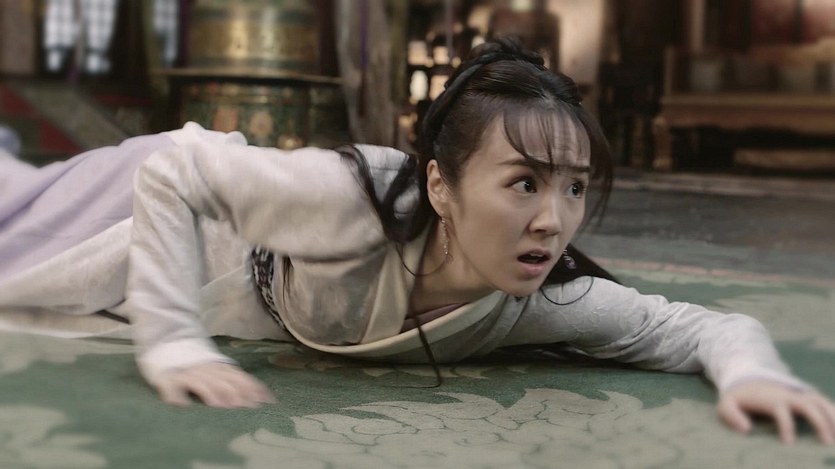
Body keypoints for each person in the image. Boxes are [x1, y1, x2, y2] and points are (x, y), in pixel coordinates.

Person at [0, 37, 833, 446]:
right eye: (523, 182)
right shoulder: (357, 195)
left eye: (573, 187)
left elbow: (696, 326)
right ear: (439, 185)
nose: (552, 220)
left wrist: (753, 373)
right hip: (135, 212)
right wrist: (174, 341)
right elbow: (174, 174)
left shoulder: (537, 298)